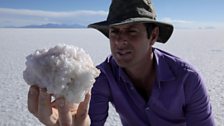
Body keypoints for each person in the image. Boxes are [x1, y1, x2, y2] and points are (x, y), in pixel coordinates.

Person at [27, 0, 215, 125]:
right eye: (114, 32)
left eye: (132, 31)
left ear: (153, 36)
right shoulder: (101, 77)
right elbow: (88, 119)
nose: (119, 41)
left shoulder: (186, 78)